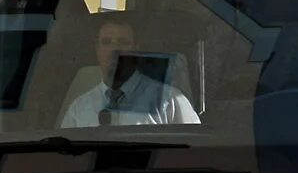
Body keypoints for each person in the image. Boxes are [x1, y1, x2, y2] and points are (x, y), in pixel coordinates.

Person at [62, 11, 199, 127]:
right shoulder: (78, 109)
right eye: (106, 42)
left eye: (123, 42)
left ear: (136, 49)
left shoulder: (169, 101)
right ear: (96, 49)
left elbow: (195, 153)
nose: (115, 49)